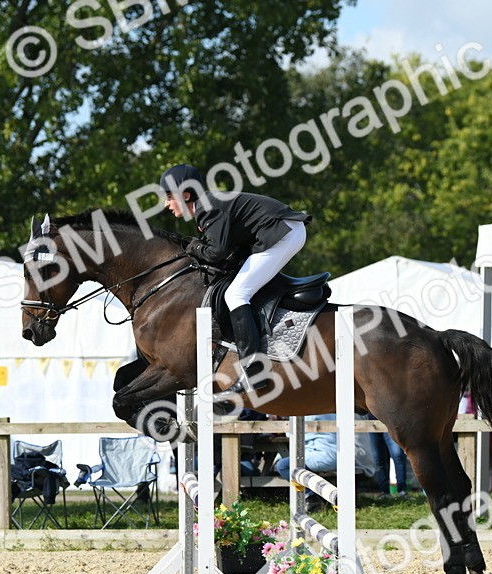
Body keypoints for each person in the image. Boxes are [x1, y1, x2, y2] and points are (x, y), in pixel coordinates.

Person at [160, 163, 310, 398]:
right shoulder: (207, 205)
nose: (166, 204)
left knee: (236, 294)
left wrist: (193, 247)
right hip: (282, 231)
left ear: (185, 195)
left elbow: (216, 252)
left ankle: (253, 371)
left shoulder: (207, 208)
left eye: (169, 197)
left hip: (283, 233)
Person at [274, 414, 379, 511]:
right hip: (342, 455)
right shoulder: (335, 410)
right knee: (295, 463)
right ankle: (321, 497)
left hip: (324, 456)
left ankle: (311, 497)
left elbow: (291, 434)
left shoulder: (307, 413)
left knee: (283, 465)